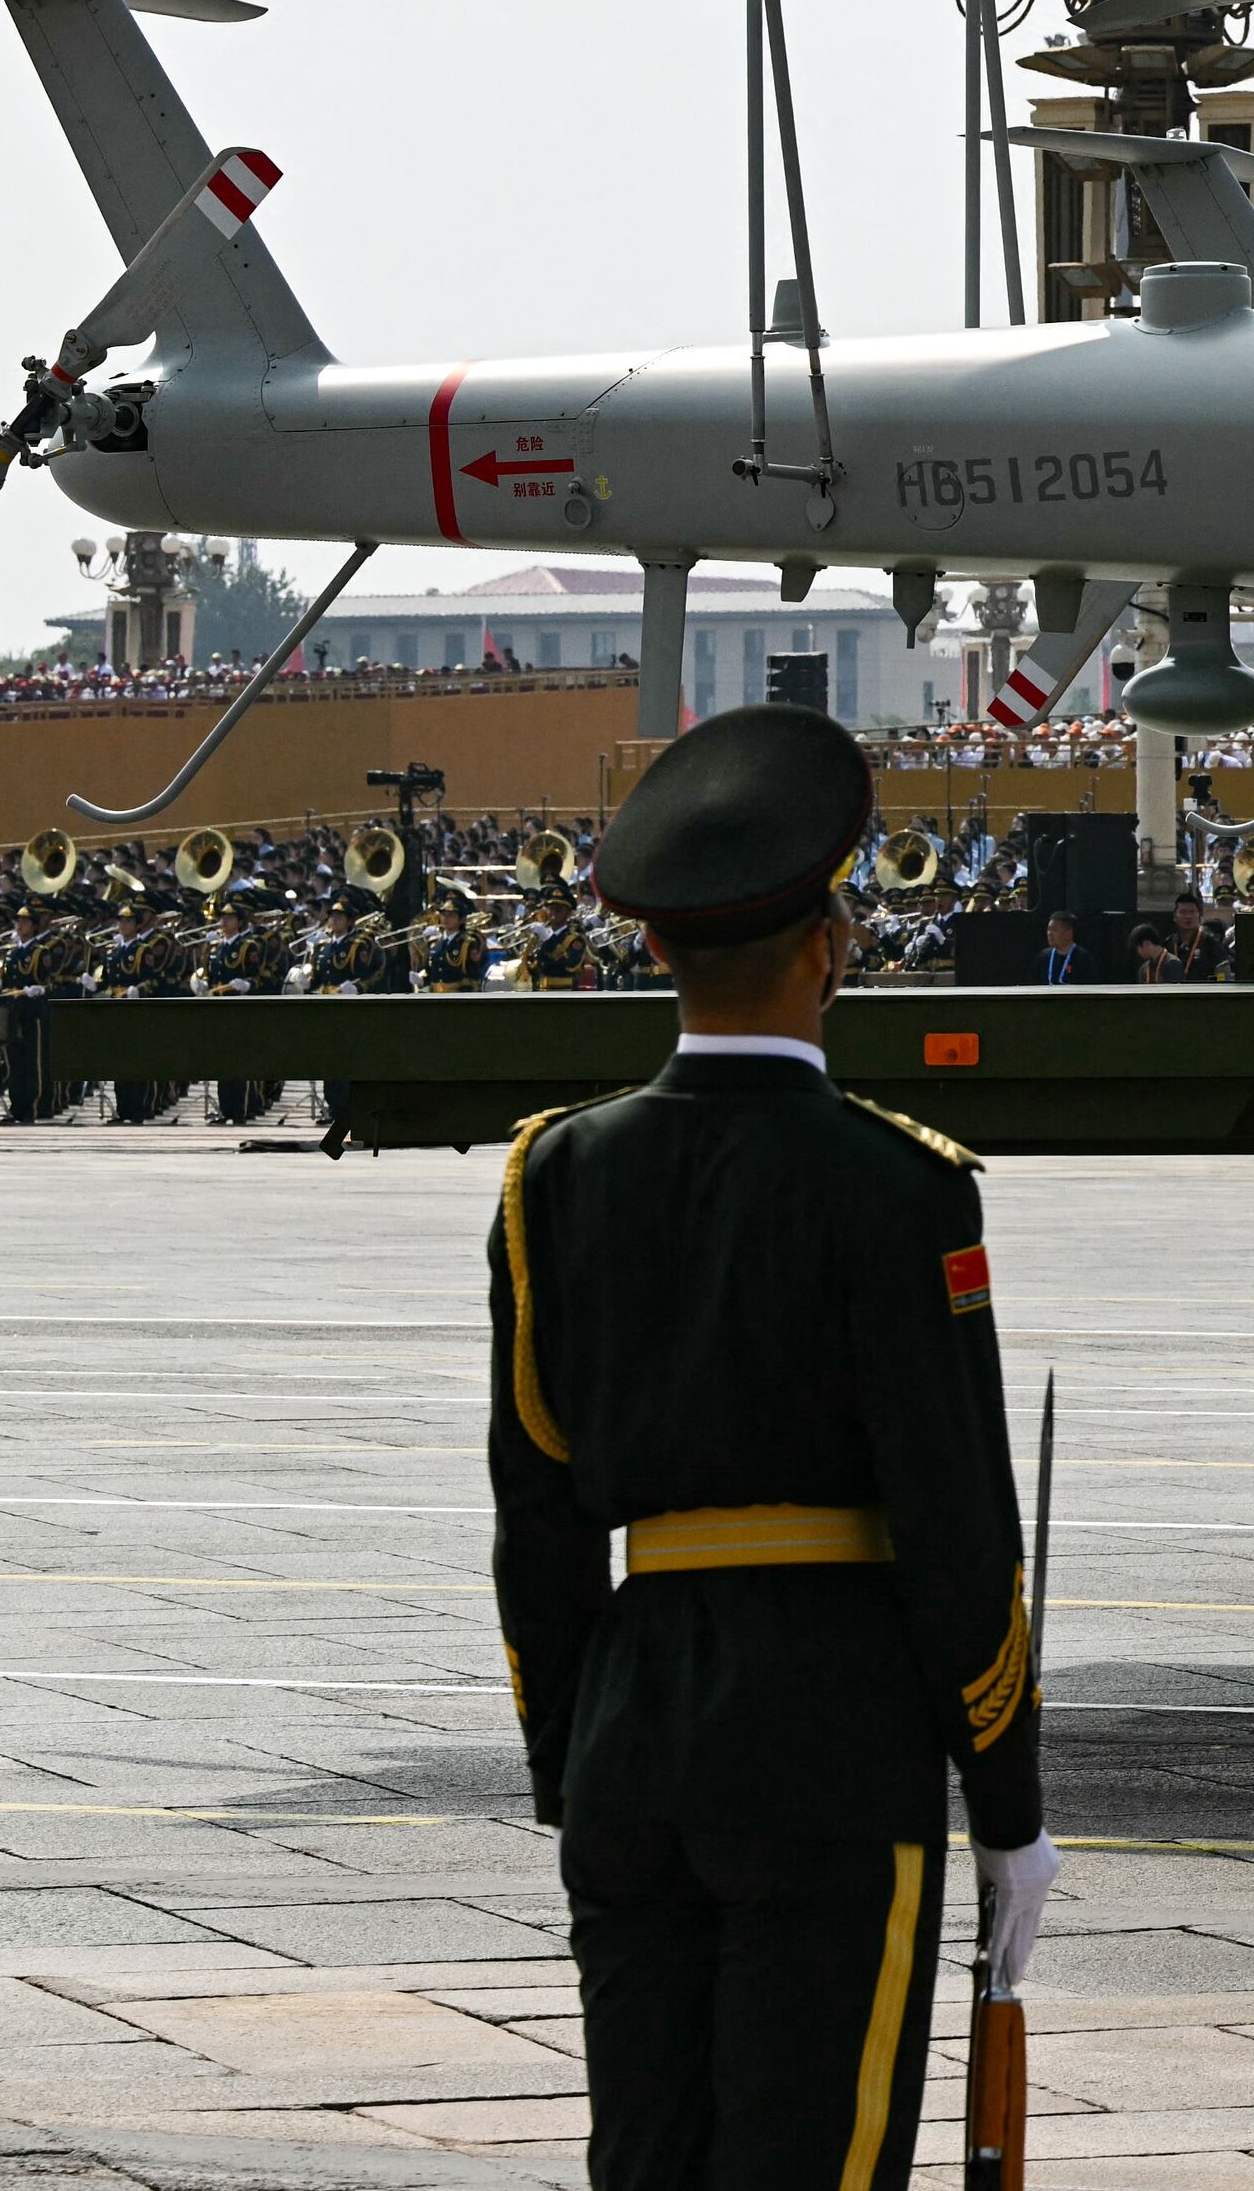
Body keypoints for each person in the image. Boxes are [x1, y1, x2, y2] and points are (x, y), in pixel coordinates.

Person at [486, 703, 1057, 2191]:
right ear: (831, 942)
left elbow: (534, 1518)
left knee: (649, 2167)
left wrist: (576, 1766)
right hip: (826, 1739)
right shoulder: (897, 1186)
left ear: (664, 948)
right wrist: (1007, 1802)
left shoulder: (555, 1173)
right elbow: (952, 1523)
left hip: (630, 1732)